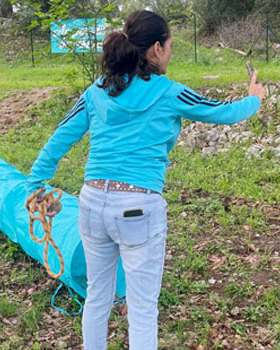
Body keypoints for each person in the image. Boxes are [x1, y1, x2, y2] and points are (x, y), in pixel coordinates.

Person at [26, 9, 266, 350]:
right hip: (138, 208)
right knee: (141, 307)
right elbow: (223, 112)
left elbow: (60, 137)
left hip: (92, 203)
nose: (170, 53)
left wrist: (34, 183)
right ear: (156, 49)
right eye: (169, 46)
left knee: (97, 297)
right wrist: (254, 98)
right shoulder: (169, 92)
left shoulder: (96, 92)